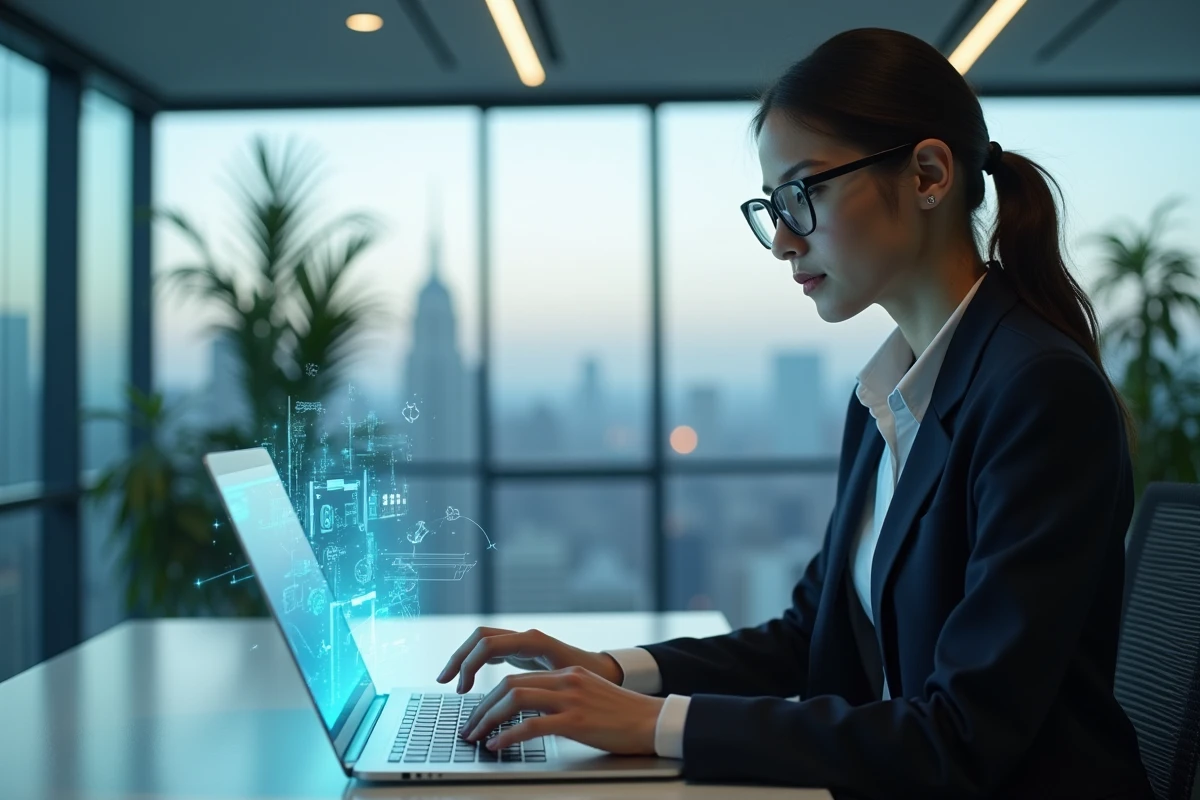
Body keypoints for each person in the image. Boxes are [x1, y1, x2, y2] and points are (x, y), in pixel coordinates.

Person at [436, 28, 1153, 799]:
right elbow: (813, 636)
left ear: (929, 174)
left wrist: (651, 724)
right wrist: (611, 674)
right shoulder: (889, 395)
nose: (781, 239)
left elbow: (961, 737)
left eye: (801, 194)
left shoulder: (1037, 392)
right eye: (771, 206)